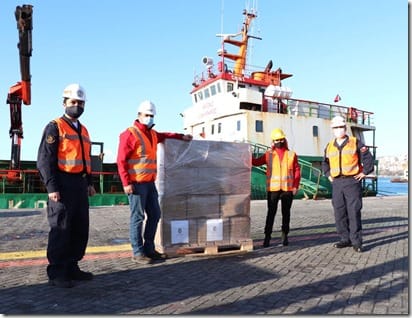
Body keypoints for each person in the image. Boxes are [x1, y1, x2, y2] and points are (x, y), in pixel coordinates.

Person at [117, 100, 192, 265]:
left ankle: (149, 249)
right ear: (139, 115)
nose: (149, 118)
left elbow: (165, 135)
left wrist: (182, 136)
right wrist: (126, 183)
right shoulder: (129, 134)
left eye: (152, 115)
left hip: (150, 184)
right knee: (137, 218)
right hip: (136, 184)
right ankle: (138, 252)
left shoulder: (152, 134)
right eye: (147, 115)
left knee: (155, 214)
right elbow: (121, 160)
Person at [37, 83, 96, 288]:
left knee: (80, 227)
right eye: (73, 102)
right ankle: (57, 272)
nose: (77, 106)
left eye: (80, 103)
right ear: (64, 103)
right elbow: (45, 159)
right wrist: (52, 187)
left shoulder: (84, 130)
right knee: (61, 227)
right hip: (62, 184)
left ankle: (72, 267)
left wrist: (89, 183)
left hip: (80, 184)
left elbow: (86, 158)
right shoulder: (55, 127)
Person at [322, 115, 374, 253]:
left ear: (345, 128)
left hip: (352, 181)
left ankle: (356, 242)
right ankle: (344, 239)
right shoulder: (329, 146)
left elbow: (368, 158)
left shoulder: (355, 142)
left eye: (341, 127)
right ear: (332, 129)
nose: (339, 130)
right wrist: (328, 175)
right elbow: (325, 163)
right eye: (336, 128)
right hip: (337, 182)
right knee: (339, 211)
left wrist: (365, 172)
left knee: (353, 211)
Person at [252, 128, 301, 247]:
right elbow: (256, 162)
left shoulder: (291, 154)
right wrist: (246, 155)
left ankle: (285, 235)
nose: (279, 141)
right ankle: (267, 236)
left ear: (284, 139)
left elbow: (297, 171)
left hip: (287, 189)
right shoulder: (268, 154)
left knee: (286, 213)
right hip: (273, 189)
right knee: (271, 213)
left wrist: (295, 186)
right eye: (277, 140)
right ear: (273, 141)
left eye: (281, 139)